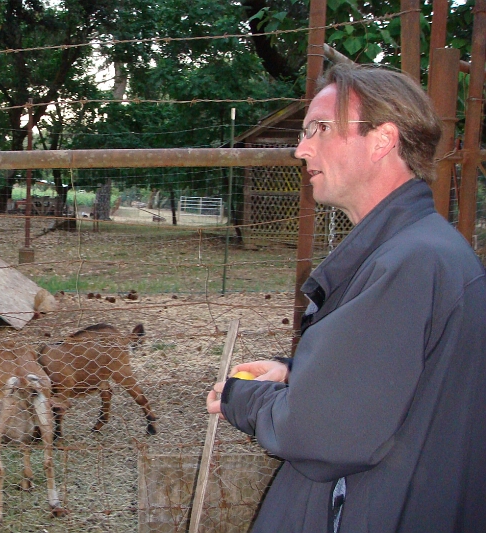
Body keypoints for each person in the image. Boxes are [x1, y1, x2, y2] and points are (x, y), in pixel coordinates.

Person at [206, 63, 486, 533]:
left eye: (320, 129)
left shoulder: (411, 262)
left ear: (382, 139)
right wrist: (298, 375)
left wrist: (242, 399)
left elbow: (325, 433)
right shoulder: (418, 249)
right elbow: (393, 382)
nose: (301, 149)